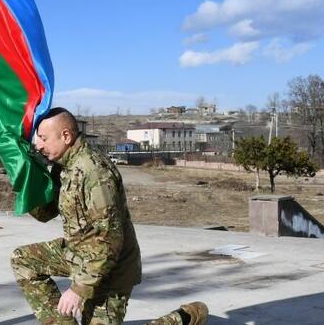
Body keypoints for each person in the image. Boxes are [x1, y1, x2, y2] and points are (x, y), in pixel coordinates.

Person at [11, 107, 208, 325]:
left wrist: (78, 289)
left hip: (110, 270)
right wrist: (25, 183)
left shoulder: (94, 172)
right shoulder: (64, 166)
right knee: (24, 259)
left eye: (44, 138)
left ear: (66, 136)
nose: (38, 145)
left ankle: (182, 319)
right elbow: (46, 213)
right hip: (79, 255)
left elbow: (110, 240)